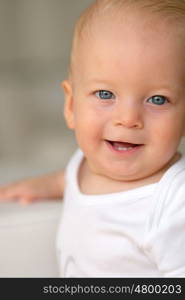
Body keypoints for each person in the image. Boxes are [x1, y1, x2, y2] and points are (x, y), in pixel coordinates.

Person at [0, 0, 185, 277]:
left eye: (157, 99)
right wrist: (44, 185)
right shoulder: (86, 162)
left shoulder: (174, 200)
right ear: (72, 105)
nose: (128, 118)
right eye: (105, 94)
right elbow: (71, 179)